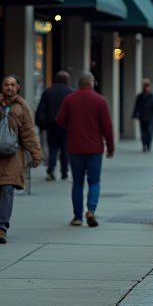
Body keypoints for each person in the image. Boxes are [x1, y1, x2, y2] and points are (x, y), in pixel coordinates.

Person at [0, 76, 43, 242]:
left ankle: (1, 227)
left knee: (7, 190)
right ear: (1, 87)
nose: (9, 87)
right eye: (6, 84)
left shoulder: (21, 107)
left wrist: (36, 154)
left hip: (13, 156)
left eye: (12, 85)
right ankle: (0, 220)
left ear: (17, 87)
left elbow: (28, 133)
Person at [56, 73, 115, 228]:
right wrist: (110, 147)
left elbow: (59, 119)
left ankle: (77, 216)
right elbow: (107, 127)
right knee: (94, 181)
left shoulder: (70, 99)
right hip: (94, 147)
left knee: (77, 182)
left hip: (75, 147)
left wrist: (71, 128)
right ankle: (91, 209)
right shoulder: (100, 101)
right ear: (93, 83)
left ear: (79, 83)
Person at [35, 71, 73, 180]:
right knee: (65, 149)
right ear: (67, 80)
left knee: (52, 148)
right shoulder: (70, 92)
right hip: (65, 126)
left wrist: (42, 124)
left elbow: (40, 110)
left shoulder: (48, 92)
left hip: (51, 125)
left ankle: (51, 169)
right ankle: (64, 172)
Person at [132, 79, 153, 152]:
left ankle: (148, 145)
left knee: (149, 132)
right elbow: (137, 107)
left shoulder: (152, 97)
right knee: (143, 132)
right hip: (143, 117)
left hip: (151, 118)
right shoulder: (140, 97)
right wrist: (134, 115)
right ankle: (144, 144)